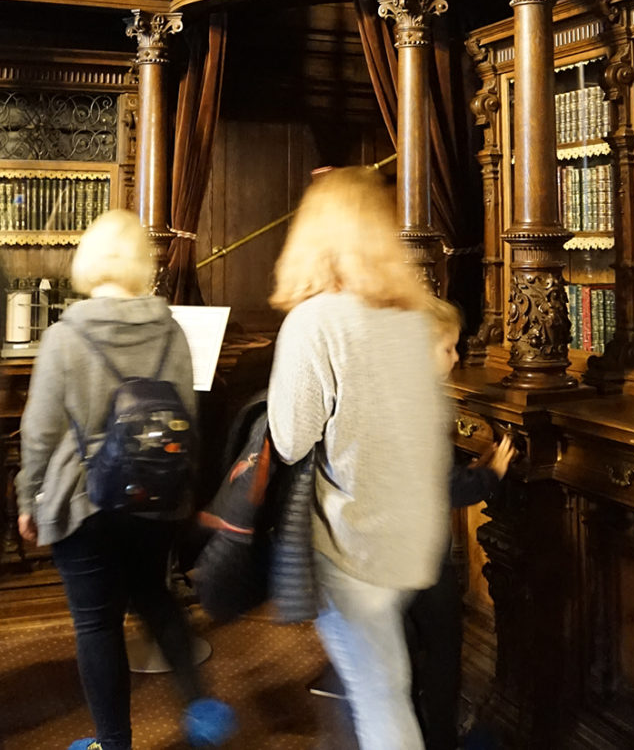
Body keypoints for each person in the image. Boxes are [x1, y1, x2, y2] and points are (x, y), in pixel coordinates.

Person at [15, 209, 236, 750]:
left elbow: (40, 431)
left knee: (97, 624)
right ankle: (201, 706)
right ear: (145, 263)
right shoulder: (172, 332)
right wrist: (180, 495)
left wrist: (27, 497)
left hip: (82, 501)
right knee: (155, 599)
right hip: (154, 498)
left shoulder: (67, 336)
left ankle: (113, 743)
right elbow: (187, 420)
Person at [267, 166, 451, 750]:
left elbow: (291, 439)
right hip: (414, 537)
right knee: (383, 681)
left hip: (355, 543)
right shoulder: (415, 316)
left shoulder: (316, 322)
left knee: (380, 698)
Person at [406, 297, 515, 750]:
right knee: (442, 653)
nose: (456, 357)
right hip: (420, 556)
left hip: (392, 552)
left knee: (411, 656)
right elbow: (439, 486)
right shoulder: (420, 402)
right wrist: (489, 477)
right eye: (448, 348)